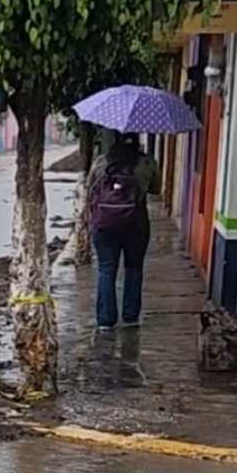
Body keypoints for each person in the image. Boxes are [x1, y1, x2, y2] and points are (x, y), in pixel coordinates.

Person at [88, 132, 159, 330]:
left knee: (106, 269)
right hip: (135, 224)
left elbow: (89, 189)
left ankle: (105, 320)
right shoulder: (147, 163)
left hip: (104, 224)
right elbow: (156, 189)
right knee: (134, 269)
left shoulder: (101, 162)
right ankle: (130, 317)